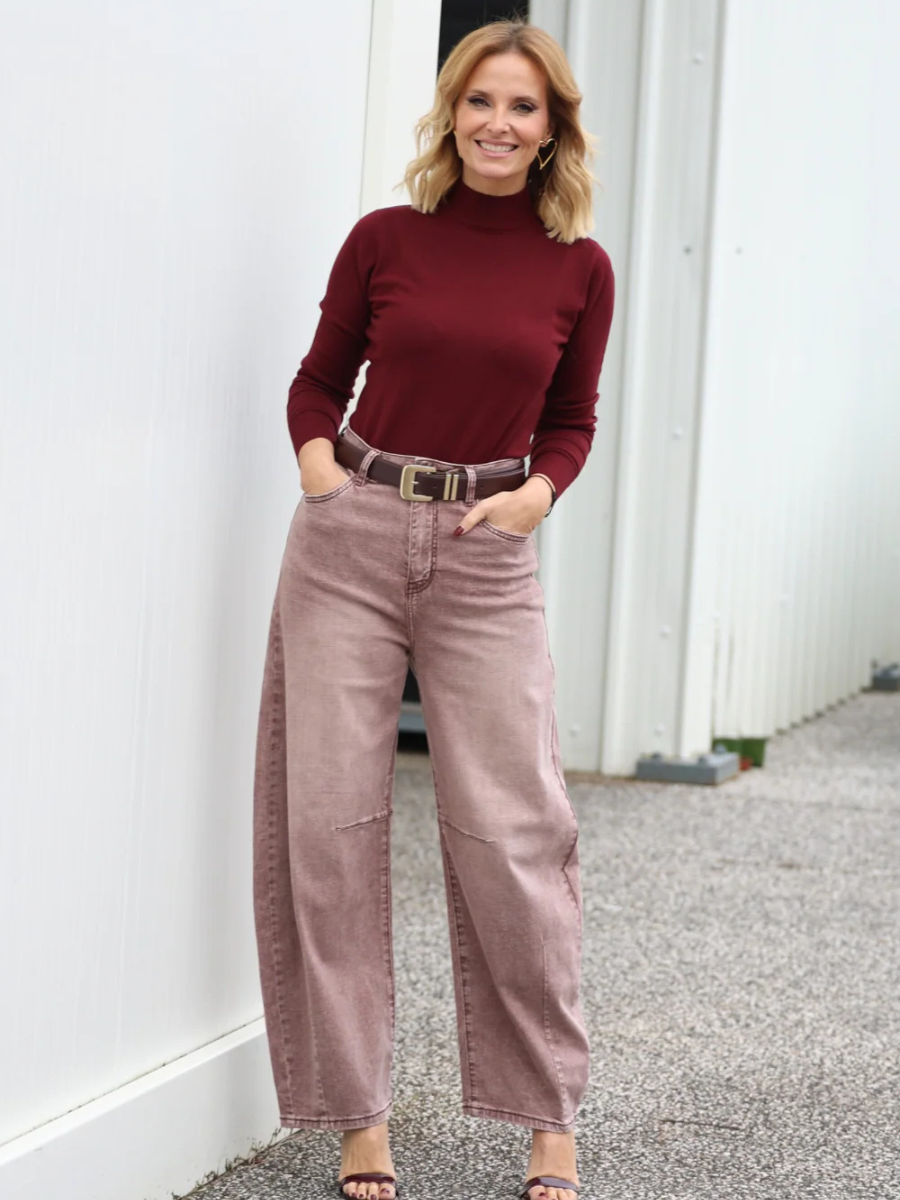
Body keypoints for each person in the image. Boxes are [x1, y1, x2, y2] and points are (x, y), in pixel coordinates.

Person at [252, 19, 615, 1200]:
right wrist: (323, 474)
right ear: (452, 113)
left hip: (484, 552)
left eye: (523, 107)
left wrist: (535, 500)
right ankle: (357, 1120)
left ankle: (548, 1116)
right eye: (480, 101)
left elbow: (572, 418)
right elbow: (318, 381)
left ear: (551, 130)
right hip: (350, 539)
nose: (498, 124)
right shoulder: (385, 239)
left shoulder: (580, 268)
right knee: (329, 827)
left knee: (516, 833)